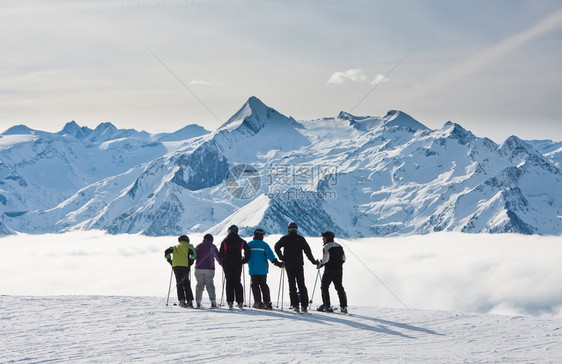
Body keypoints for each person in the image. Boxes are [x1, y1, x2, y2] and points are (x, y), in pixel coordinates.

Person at [274, 222, 318, 313]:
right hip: (299, 265)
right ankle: (304, 306)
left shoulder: (285, 239)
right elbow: (308, 252)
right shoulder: (301, 239)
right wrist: (314, 262)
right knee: (301, 284)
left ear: (288, 229)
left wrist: (281, 257)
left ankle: (295, 305)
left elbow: (276, 247)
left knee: (292, 285)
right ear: (296, 229)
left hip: (289, 265)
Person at [247, 228, 284, 309]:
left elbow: (246, 256)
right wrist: (278, 264)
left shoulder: (249, 244)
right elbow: (270, 256)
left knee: (254, 285)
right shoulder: (264, 245)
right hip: (263, 269)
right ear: (260, 235)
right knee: (263, 285)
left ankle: (258, 302)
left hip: (253, 268)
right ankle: (267, 302)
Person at [219, 225, 251, 309]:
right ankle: (240, 302)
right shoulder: (241, 241)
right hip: (238, 262)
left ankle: (230, 302)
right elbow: (248, 251)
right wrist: (245, 260)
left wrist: (222, 261)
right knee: (237, 281)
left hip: (227, 263)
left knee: (229, 281)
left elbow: (221, 253)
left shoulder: (225, 241)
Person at [316, 231, 348, 314]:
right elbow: (344, 258)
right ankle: (343, 306)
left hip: (329, 270)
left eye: (324, 238)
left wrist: (321, 264)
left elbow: (325, 259)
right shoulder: (340, 246)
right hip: (339, 270)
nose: (323, 240)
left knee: (324, 286)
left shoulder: (326, 247)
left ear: (327, 238)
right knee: (339, 287)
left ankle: (327, 305)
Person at [164, 235, 197, 308]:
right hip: (185, 265)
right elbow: (194, 255)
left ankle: (182, 301)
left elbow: (166, 252)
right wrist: (191, 261)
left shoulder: (175, 247)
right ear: (187, 240)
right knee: (186, 283)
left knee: (179, 283)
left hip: (176, 266)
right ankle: (189, 302)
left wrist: (170, 261)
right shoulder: (189, 246)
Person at [194, 233, 222, 309]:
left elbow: (194, 256)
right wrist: (221, 263)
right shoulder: (212, 246)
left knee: (199, 285)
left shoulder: (198, 246)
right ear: (211, 240)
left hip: (198, 268)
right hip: (209, 269)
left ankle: (198, 302)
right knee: (210, 285)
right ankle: (213, 302)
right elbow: (217, 257)